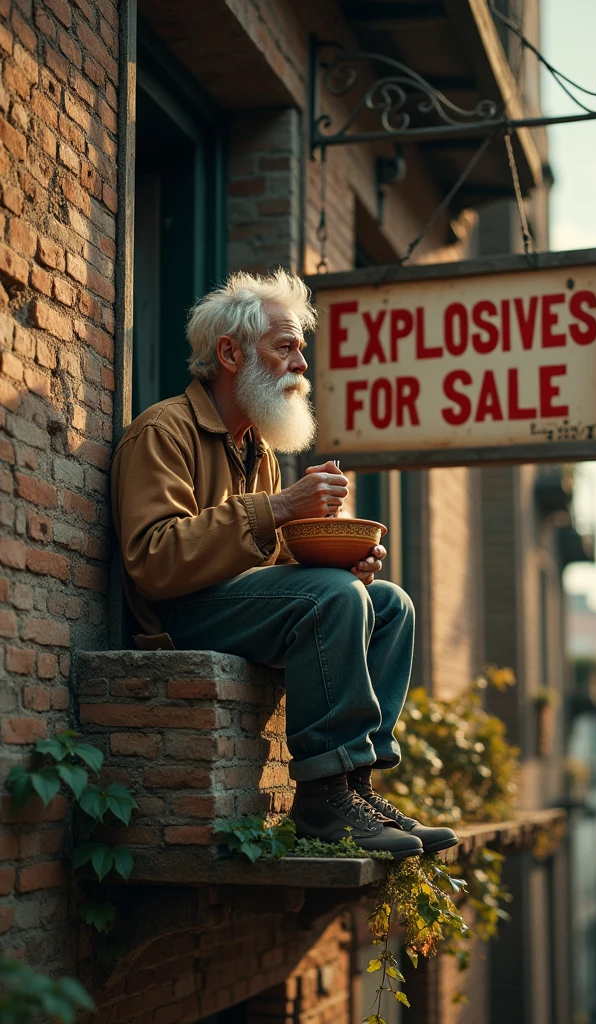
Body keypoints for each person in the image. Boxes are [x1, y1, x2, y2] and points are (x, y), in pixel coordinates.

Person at [111, 269, 457, 859]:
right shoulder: (162, 430)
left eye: (302, 348)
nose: (302, 363)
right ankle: (322, 801)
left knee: (390, 604)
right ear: (230, 353)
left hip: (235, 608)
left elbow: (270, 560)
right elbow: (153, 559)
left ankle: (354, 786)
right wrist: (279, 508)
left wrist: (342, 560)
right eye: (286, 346)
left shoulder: (258, 449)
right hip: (178, 618)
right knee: (333, 596)